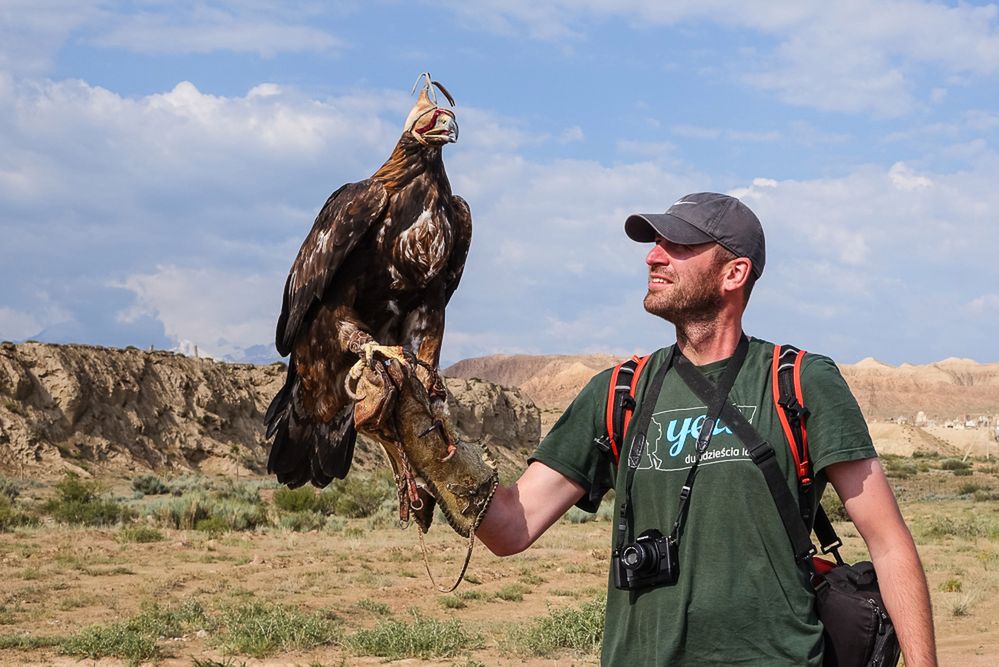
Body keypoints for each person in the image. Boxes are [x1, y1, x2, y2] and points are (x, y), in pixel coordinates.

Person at [475, 192, 936, 666]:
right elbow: (510, 528)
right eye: (655, 242)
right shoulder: (617, 392)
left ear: (733, 273)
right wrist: (435, 451)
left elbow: (889, 543)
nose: (653, 255)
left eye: (677, 245)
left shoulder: (800, 381)